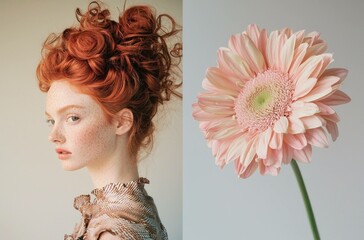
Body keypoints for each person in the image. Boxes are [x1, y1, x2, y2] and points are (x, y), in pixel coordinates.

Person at [36, 1, 181, 239]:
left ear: (121, 122)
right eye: (51, 120)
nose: (54, 135)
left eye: (72, 117)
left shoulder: (114, 232)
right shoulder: (136, 210)